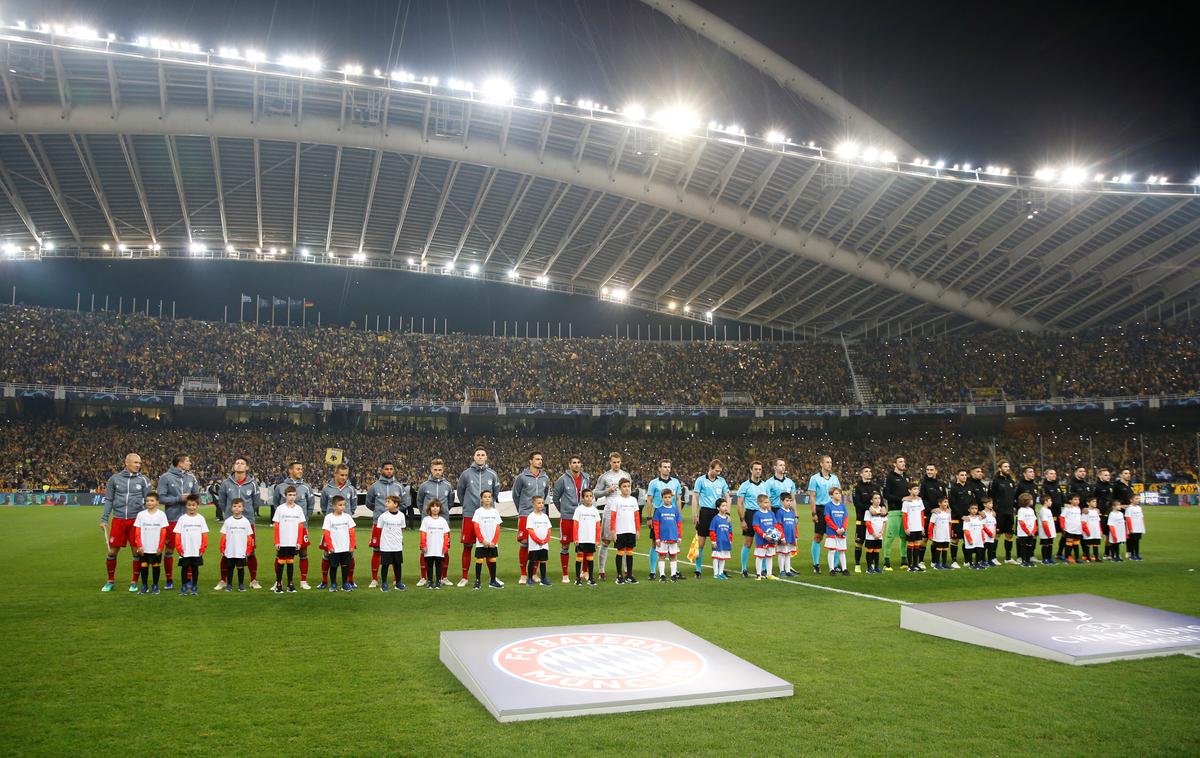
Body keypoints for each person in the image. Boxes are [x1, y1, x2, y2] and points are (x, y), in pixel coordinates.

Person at [99, 452, 152, 593]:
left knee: (136, 553)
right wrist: (104, 519)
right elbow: (109, 499)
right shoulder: (114, 479)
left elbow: (149, 501)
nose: (138, 465)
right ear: (126, 463)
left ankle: (134, 582)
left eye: (139, 463)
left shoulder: (144, 480)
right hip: (119, 519)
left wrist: (148, 520)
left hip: (136, 521)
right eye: (135, 462)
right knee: (112, 552)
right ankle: (110, 581)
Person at [216, 457, 263, 590]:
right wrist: (228, 514)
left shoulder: (253, 484)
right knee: (226, 551)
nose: (239, 465)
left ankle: (253, 580)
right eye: (237, 463)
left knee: (251, 551)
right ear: (233, 467)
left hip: (248, 522)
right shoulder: (226, 484)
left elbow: (256, 503)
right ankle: (223, 580)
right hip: (230, 523)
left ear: (247, 468)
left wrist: (247, 515)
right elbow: (222, 502)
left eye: (242, 463)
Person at [157, 453, 201, 591]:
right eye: (188, 461)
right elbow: (161, 498)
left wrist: (191, 499)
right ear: (180, 463)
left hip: (190, 520)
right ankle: (169, 579)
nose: (190, 463)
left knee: (188, 550)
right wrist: (178, 498)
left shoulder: (191, 477)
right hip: (172, 519)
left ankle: (188, 579)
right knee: (169, 550)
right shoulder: (165, 477)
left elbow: (197, 496)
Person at [510, 451, 551, 585]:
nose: (540, 461)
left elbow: (545, 496)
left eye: (541, 459)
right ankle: (523, 574)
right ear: (530, 461)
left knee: (539, 545)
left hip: (540, 516)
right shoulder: (521, 477)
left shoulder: (545, 478)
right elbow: (515, 495)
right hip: (525, 514)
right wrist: (522, 510)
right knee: (524, 544)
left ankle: (533, 573)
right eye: (537, 459)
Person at [367, 462, 409, 589]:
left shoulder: (399, 486)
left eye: (391, 469)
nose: (389, 471)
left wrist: (393, 513)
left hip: (394, 525)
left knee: (395, 552)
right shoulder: (375, 486)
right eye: (386, 469)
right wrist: (380, 513)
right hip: (379, 523)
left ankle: (397, 580)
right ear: (382, 470)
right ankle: (375, 579)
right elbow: (369, 503)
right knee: (377, 551)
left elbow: (404, 503)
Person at [273, 462, 315, 588]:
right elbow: (276, 505)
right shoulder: (280, 487)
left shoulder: (307, 487)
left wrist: (304, 520)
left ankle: (303, 581)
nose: (301, 471)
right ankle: (278, 581)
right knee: (280, 553)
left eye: (301, 468)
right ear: (290, 470)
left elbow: (310, 506)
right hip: (285, 528)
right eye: (298, 469)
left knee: (303, 552)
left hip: (301, 527)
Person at [417, 458, 457, 585]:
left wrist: (442, 514)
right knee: (425, 549)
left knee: (444, 549)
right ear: (431, 469)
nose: (437, 472)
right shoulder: (424, 486)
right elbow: (419, 502)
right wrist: (426, 514)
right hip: (428, 524)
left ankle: (443, 577)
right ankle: (424, 577)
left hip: (443, 523)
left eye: (440, 470)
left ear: (443, 470)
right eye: (435, 470)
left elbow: (450, 503)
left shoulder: (448, 485)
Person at [551, 455, 590, 583]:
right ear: (569, 465)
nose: (576, 465)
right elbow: (556, 498)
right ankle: (565, 574)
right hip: (568, 517)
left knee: (583, 545)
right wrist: (563, 510)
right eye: (574, 462)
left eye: (579, 462)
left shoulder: (586, 478)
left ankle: (584, 572)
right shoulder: (562, 479)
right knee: (565, 546)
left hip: (582, 518)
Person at [319, 464, 357, 589]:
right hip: (332, 527)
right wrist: (331, 518)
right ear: (335, 474)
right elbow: (324, 507)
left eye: (346, 475)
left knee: (349, 555)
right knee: (327, 554)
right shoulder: (326, 489)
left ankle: (349, 581)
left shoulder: (351, 489)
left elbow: (353, 506)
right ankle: (325, 581)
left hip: (346, 527)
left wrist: (347, 517)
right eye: (341, 475)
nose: (344, 477)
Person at [691, 459, 731, 579]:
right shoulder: (701, 480)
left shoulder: (722, 481)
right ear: (710, 467)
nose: (718, 473)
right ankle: (698, 569)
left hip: (718, 513)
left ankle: (720, 570)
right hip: (705, 512)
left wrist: (727, 513)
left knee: (720, 541)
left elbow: (727, 497)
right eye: (716, 470)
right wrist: (695, 515)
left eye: (720, 471)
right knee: (701, 542)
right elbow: (695, 498)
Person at [595, 452, 630, 581]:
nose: (616, 464)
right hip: (610, 513)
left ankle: (626, 571)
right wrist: (607, 491)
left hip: (624, 514)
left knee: (625, 543)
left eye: (618, 462)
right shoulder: (604, 477)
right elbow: (595, 493)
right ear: (610, 462)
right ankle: (601, 571)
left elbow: (629, 492)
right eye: (614, 462)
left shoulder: (626, 475)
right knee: (605, 542)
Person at [645, 459, 683, 580]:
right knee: (655, 542)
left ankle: (674, 571)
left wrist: (679, 515)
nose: (667, 469)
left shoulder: (676, 482)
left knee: (673, 542)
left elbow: (678, 499)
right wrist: (649, 516)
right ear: (659, 469)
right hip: (658, 512)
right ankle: (652, 571)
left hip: (672, 513)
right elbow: (649, 500)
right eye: (664, 467)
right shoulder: (654, 483)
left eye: (668, 467)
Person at [806, 454, 840, 575]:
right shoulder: (814, 478)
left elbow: (838, 495)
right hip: (820, 509)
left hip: (833, 509)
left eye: (830, 462)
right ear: (821, 464)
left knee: (835, 537)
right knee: (818, 537)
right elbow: (812, 497)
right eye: (827, 462)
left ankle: (835, 565)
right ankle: (816, 564)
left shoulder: (835, 478)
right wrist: (814, 513)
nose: (829, 464)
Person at [272, 485, 309, 593]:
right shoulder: (280, 509)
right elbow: (276, 526)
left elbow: (300, 527)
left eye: (293, 495)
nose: (292, 497)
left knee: (290, 562)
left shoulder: (298, 509)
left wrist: (298, 542)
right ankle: (279, 585)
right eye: (289, 495)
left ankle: (290, 584)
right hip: (282, 541)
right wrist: (277, 541)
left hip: (293, 542)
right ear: (285, 496)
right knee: (281, 562)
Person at [132, 493, 169, 594]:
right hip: (144, 547)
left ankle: (155, 585)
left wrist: (160, 547)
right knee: (143, 566)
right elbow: (137, 532)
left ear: (157, 502)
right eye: (147, 501)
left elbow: (163, 532)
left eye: (152, 500)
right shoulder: (141, 515)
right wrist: (139, 545)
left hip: (156, 548)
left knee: (156, 566)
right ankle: (144, 585)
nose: (149, 502)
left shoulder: (161, 515)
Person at [174, 494, 209, 595]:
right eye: (189, 505)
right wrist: (179, 547)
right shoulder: (182, 519)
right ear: (186, 506)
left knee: (195, 568)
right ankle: (184, 586)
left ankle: (194, 586)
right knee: (184, 568)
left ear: (197, 506)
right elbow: (177, 534)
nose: (191, 507)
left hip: (196, 550)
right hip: (185, 550)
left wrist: (203, 547)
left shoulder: (201, 518)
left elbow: (204, 534)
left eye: (193, 505)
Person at [321, 495, 357, 591]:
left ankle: (345, 584)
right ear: (334, 506)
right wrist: (330, 546)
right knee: (333, 566)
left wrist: (352, 545)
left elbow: (352, 532)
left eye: (344, 505)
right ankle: (333, 584)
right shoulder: (329, 517)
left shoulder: (347, 517)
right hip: (334, 548)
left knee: (345, 566)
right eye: (340, 505)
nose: (343, 507)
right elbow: (326, 533)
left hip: (345, 547)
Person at [851, 466, 883, 573]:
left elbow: (881, 501)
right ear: (861, 474)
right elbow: (857, 503)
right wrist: (869, 508)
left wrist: (883, 508)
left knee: (873, 542)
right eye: (866, 471)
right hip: (861, 519)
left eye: (870, 471)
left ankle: (872, 565)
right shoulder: (857, 487)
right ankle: (857, 564)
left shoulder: (876, 486)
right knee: (859, 542)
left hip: (875, 520)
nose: (869, 473)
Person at [608, 479, 640, 585]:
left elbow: (636, 517)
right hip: (620, 531)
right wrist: (613, 531)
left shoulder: (633, 500)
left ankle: (629, 575)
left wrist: (637, 530)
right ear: (620, 488)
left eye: (628, 486)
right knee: (620, 552)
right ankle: (619, 576)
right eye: (624, 486)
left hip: (631, 530)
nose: (627, 488)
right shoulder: (616, 500)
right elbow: (613, 517)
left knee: (630, 553)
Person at [219, 498, 255, 592]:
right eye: (235, 506)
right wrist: (222, 548)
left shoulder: (246, 522)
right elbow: (224, 536)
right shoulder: (228, 521)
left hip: (241, 550)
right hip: (230, 550)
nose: (237, 508)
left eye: (239, 506)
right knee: (230, 568)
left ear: (243, 508)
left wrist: (248, 549)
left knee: (240, 568)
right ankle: (229, 585)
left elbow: (249, 537)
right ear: (231, 508)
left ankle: (241, 585)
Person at [470, 490, 503, 590]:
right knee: (480, 559)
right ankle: (477, 581)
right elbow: (476, 527)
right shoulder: (478, 512)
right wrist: (482, 540)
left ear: (492, 499)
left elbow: (498, 527)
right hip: (482, 543)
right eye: (485, 497)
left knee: (492, 559)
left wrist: (494, 541)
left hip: (492, 542)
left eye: (489, 496)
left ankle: (492, 581)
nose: (487, 498)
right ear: (481, 499)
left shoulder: (495, 511)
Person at [883, 456, 911, 570]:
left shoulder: (907, 477)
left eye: (904, 461)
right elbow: (886, 494)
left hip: (906, 511)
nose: (903, 463)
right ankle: (886, 562)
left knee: (904, 537)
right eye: (900, 461)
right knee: (890, 537)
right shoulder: (890, 477)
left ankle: (904, 561)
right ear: (894, 464)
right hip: (894, 511)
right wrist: (901, 499)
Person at [989, 460, 1018, 564]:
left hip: (1009, 512)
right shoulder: (995, 481)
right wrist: (992, 510)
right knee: (996, 534)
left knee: (1009, 535)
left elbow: (1013, 497)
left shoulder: (1011, 481)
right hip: (999, 512)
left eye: (1008, 466)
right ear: (999, 468)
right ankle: (993, 557)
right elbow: (990, 497)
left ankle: (1008, 558)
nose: (1008, 468)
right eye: (1005, 466)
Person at [652, 488, 684, 582]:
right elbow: (656, 526)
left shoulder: (675, 510)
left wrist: (679, 537)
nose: (667, 499)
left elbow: (679, 525)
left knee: (673, 556)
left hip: (673, 537)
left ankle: (673, 575)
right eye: (665, 497)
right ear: (662, 498)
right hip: (662, 538)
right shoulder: (659, 510)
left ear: (672, 498)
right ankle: (662, 575)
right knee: (662, 556)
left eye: (669, 497)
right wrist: (657, 539)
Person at [377, 495, 407, 591]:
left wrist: (401, 539)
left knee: (398, 564)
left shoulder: (401, 515)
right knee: (385, 565)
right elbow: (379, 529)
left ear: (395, 504)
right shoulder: (383, 516)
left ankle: (398, 583)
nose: (386, 503)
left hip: (397, 546)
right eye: (386, 501)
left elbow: (401, 529)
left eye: (388, 502)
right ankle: (384, 584)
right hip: (386, 545)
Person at [918, 464, 946, 567]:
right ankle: (920, 561)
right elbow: (921, 499)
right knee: (924, 539)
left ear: (936, 471)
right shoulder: (924, 483)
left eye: (931, 470)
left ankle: (934, 561)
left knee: (936, 539)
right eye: (927, 470)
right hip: (927, 515)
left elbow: (944, 499)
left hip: (939, 516)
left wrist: (945, 509)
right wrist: (931, 509)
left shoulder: (941, 484)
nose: (929, 471)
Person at [420, 500, 452, 590]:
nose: (435, 508)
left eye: (437, 506)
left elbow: (446, 535)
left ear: (440, 509)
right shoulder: (426, 520)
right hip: (429, 548)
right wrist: (423, 545)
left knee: (439, 565)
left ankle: (438, 581)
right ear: (429, 508)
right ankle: (430, 581)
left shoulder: (443, 521)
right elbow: (423, 533)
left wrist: (445, 546)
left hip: (439, 549)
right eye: (433, 506)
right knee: (429, 565)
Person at [573, 489, 601, 586]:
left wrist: (597, 540)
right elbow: (575, 525)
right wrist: (576, 538)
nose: (589, 498)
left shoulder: (595, 510)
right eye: (586, 496)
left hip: (591, 539)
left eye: (590, 496)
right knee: (579, 558)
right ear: (582, 498)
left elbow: (598, 526)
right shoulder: (579, 509)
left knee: (590, 558)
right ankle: (577, 579)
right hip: (581, 539)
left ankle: (591, 578)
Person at [525, 496, 554, 588]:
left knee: (543, 561)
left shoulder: (545, 516)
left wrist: (545, 540)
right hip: (535, 545)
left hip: (544, 544)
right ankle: (529, 578)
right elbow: (530, 531)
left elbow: (549, 530)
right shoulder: (531, 517)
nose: (541, 504)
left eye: (542, 503)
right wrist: (538, 540)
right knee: (532, 561)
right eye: (538, 503)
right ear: (533, 504)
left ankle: (544, 578)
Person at [947, 469, 972, 569]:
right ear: (957, 476)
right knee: (955, 540)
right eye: (962, 475)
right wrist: (961, 515)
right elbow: (952, 504)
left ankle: (967, 560)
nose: (964, 477)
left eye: (965, 475)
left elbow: (972, 502)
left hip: (968, 518)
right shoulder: (953, 488)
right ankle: (954, 561)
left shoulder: (969, 487)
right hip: (957, 518)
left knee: (966, 539)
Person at [750, 494, 779, 580]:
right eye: (765, 502)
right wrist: (764, 535)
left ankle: (769, 574)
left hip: (771, 540)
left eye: (768, 502)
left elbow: (775, 525)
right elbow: (756, 526)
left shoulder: (771, 513)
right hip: (761, 539)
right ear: (759, 503)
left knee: (769, 556)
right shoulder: (757, 514)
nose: (767, 504)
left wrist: (776, 536)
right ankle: (758, 574)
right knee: (760, 556)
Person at [822, 487, 849, 575]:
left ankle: (844, 569)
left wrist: (843, 529)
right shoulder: (828, 506)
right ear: (831, 495)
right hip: (832, 532)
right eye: (836, 493)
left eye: (839, 493)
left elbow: (845, 518)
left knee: (842, 551)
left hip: (841, 532)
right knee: (832, 551)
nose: (839, 495)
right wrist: (836, 529)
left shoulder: (843, 506)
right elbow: (827, 519)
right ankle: (831, 569)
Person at [901, 482, 925, 573]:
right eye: (914, 489)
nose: (916, 490)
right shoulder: (906, 502)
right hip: (910, 527)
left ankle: (916, 564)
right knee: (910, 545)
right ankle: (910, 565)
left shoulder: (919, 500)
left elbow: (922, 514)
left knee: (917, 545)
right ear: (909, 490)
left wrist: (922, 526)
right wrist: (906, 527)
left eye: (917, 489)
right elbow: (904, 515)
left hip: (918, 526)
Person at [1041, 468, 1065, 560]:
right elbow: (1045, 500)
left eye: (1054, 473)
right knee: (1050, 535)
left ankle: (1059, 553)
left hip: (1059, 513)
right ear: (1046, 475)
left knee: (1065, 533)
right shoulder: (1045, 487)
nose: (1054, 475)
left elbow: (1063, 498)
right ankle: (1047, 556)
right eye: (1051, 473)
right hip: (1050, 514)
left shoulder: (1057, 485)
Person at [708, 499, 735, 579]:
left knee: (723, 557)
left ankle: (721, 572)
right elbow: (712, 531)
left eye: (726, 505)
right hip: (717, 542)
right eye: (723, 506)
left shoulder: (728, 519)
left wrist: (730, 541)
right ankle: (716, 574)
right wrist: (713, 541)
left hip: (725, 542)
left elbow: (730, 531)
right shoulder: (715, 519)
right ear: (718, 508)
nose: (725, 507)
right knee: (716, 557)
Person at [776, 492, 800, 577]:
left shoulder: (792, 513)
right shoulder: (780, 512)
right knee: (782, 553)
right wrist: (781, 537)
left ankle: (788, 570)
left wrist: (795, 537)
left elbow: (794, 526)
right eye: (787, 501)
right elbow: (778, 526)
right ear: (782, 501)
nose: (789, 502)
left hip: (790, 537)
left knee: (788, 553)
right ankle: (781, 571)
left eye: (790, 501)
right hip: (783, 538)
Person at [863, 494, 886, 574]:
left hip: (879, 535)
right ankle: (869, 567)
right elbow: (868, 524)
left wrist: (881, 532)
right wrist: (874, 534)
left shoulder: (882, 510)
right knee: (870, 550)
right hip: (871, 536)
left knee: (877, 551)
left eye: (879, 498)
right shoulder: (868, 511)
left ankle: (876, 567)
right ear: (871, 500)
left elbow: (884, 522)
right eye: (875, 498)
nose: (878, 500)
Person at [927, 498, 953, 570]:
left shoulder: (948, 512)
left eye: (947, 502)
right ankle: (937, 564)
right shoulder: (936, 513)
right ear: (939, 503)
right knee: (939, 548)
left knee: (945, 548)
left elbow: (950, 524)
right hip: (938, 534)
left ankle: (944, 563)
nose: (946, 504)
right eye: (944, 502)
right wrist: (930, 534)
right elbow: (931, 524)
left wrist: (950, 533)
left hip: (946, 534)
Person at [1015, 493, 1038, 568]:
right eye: (1031, 499)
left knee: (1029, 547)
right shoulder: (1021, 510)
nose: (1032, 501)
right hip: (1024, 533)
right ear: (1026, 501)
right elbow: (1021, 522)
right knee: (1024, 547)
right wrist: (1027, 532)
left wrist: (1033, 531)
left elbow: (1035, 521)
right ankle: (1024, 561)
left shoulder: (1031, 510)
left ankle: (1028, 561)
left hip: (1031, 533)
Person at [1059, 494, 1084, 564]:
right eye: (1075, 499)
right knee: (1068, 544)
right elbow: (1061, 517)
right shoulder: (1067, 508)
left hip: (1078, 530)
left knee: (1076, 544)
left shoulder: (1079, 508)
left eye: (1078, 499)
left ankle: (1077, 558)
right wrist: (1063, 527)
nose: (1077, 501)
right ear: (1070, 500)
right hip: (1069, 529)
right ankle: (1066, 558)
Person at [962, 504, 984, 569]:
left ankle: (977, 564)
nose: (974, 510)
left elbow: (981, 529)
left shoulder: (979, 518)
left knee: (979, 551)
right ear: (969, 510)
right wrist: (969, 539)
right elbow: (966, 530)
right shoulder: (967, 519)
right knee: (970, 551)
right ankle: (971, 564)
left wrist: (983, 539)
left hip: (978, 539)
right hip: (971, 539)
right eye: (972, 508)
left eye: (976, 508)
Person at [1038, 495, 1058, 565]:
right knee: (1045, 545)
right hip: (1045, 533)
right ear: (1045, 502)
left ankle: (1049, 558)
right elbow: (1044, 523)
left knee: (1050, 544)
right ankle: (1044, 559)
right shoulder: (1043, 510)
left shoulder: (1048, 510)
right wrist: (1048, 532)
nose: (1051, 502)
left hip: (1050, 532)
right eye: (1050, 501)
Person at [1082, 498, 1102, 562]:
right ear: (1088, 503)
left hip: (1096, 531)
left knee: (1095, 544)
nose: (1095, 503)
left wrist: (1100, 530)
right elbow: (1083, 522)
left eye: (1095, 501)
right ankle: (1087, 557)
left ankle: (1096, 557)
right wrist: (1086, 531)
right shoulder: (1086, 511)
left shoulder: (1096, 511)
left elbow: (1098, 522)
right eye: (1093, 501)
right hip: (1089, 531)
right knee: (1088, 544)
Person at [981, 499, 998, 566]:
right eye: (990, 503)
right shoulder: (983, 513)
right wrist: (989, 533)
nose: (992, 505)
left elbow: (994, 524)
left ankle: (990, 560)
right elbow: (983, 525)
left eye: (992, 503)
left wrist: (994, 533)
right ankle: (983, 560)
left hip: (992, 535)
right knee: (984, 547)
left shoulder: (993, 514)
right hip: (985, 534)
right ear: (985, 504)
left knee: (991, 547)